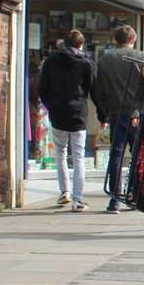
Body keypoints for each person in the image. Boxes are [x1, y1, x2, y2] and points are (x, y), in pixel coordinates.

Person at [91, 24, 144, 214]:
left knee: (116, 154)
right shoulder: (142, 58)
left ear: (115, 40)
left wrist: (103, 112)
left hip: (116, 112)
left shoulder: (105, 60)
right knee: (138, 154)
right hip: (137, 114)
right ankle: (134, 194)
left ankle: (115, 200)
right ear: (133, 39)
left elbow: (99, 89)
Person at [37, 29, 95, 211]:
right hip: (78, 113)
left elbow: (42, 87)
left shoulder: (51, 61)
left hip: (57, 113)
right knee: (78, 157)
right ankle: (78, 200)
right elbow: (90, 87)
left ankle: (64, 192)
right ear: (81, 44)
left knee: (60, 154)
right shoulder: (86, 63)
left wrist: (50, 105)